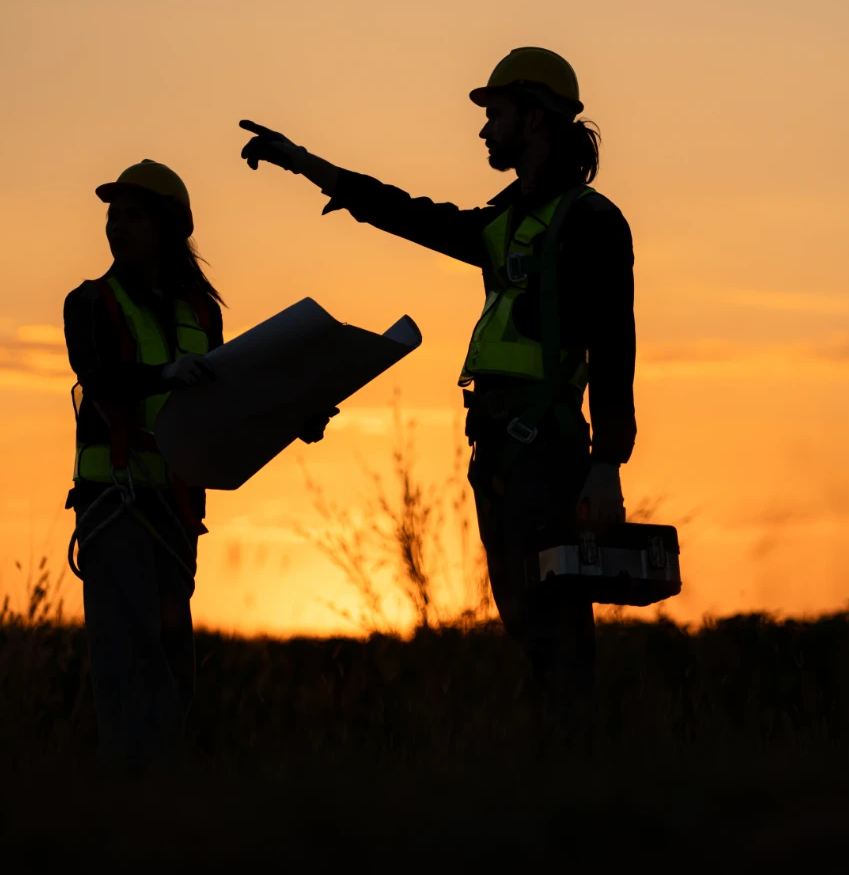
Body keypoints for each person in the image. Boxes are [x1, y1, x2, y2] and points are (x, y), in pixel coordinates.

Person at [239, 47, 636, 744]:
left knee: (556, 624)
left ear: (536, 118)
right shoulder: (503, 222)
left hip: (547, 450)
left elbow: (615, 346)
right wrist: (305, 164)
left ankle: (583, 776)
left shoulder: (593, 221)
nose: (485, 131)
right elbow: (409, 214)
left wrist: (608, 462)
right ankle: (567, 767)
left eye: (497, 115)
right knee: (525, 619)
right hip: (500, 450)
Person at [63, 160, 329, 772]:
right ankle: (130, 789)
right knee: (130, 655)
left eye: (131, 215)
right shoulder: (90, 302)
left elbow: (228, 403)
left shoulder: (199, 312)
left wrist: (296, 417)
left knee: (170, 658)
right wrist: (163, 375)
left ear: (168, 226)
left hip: (176, 512)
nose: (115, 226)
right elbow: (100, 379)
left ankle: (161, 793)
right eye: (112, 214)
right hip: (115, 501)